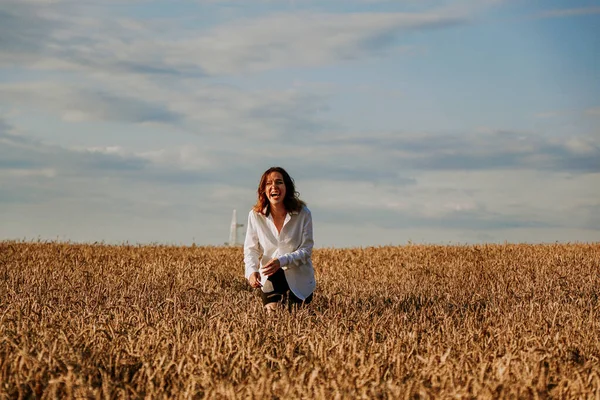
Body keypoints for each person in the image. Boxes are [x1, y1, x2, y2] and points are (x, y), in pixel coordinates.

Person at [244, 166, 316, 312]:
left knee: (297, 320)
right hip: (271, 276)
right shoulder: (255, 215)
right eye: (269, 183)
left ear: (287, 187)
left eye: (279, 182)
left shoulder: (303, 214)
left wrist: (281, 261)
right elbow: (250, 249)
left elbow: (306, 250)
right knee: (273, 317)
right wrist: (251, 271)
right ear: (263, 190)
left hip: (299, 279)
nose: (274, 187)